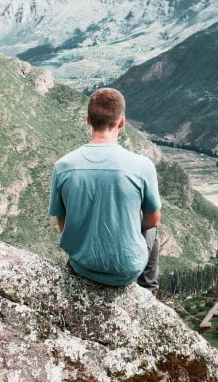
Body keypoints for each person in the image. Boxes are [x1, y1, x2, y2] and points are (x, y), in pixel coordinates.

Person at [49, 87, 162, 293]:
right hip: (127, 269)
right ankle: (147, 293)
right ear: (122, 121)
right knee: (153, 230)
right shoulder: (142, 165)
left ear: (88, 120)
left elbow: (63, 224)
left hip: (82, 267)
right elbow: (153, 220)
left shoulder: (63, 166)